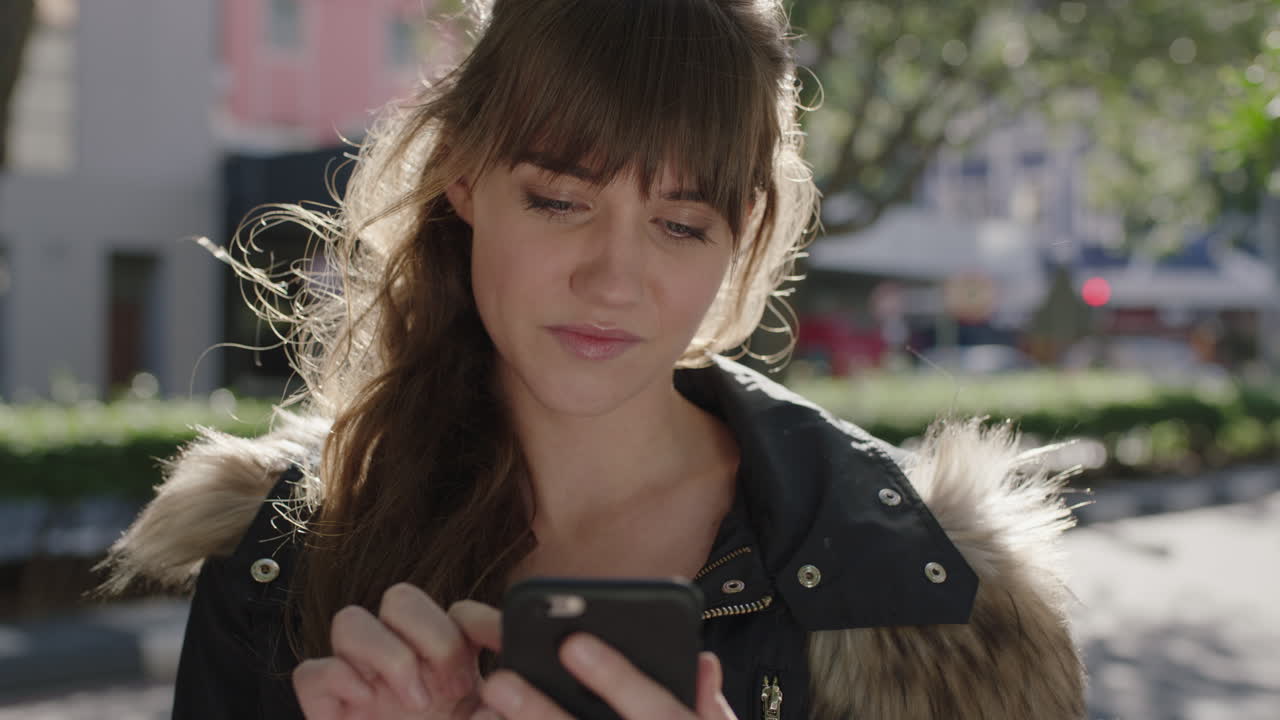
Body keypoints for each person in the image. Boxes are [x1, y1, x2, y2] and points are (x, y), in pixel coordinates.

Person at [97, 0, 1087, 718]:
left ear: (744, 234)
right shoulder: (280, 550)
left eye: (679, 223)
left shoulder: (927, 601)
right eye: (559, 201)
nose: (613, 281)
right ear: (464, 179)